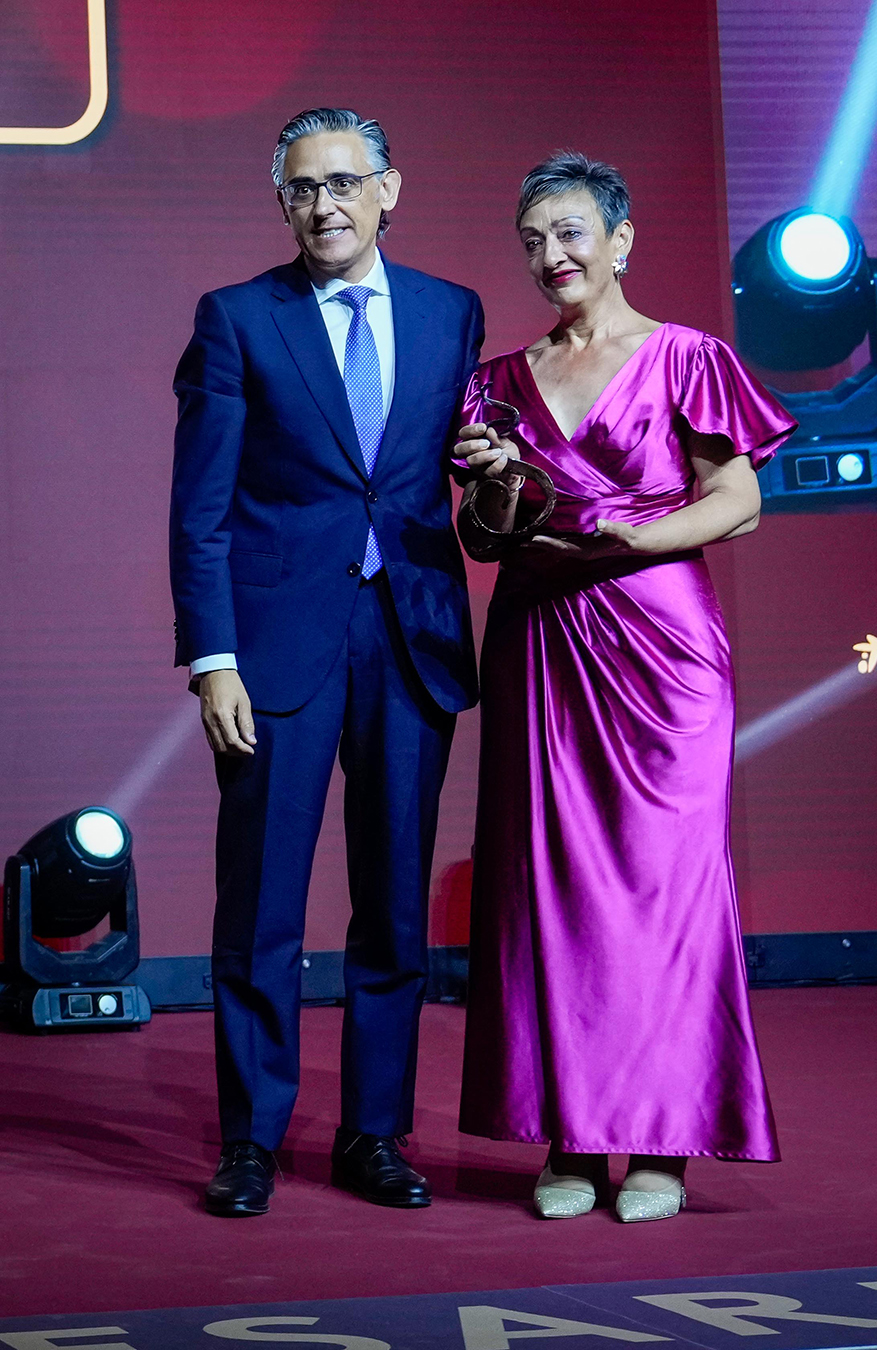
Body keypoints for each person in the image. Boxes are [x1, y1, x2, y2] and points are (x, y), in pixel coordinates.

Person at [454, 153, 795, 1223]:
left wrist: (632, 535)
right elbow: (480, 536)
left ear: (622, 239)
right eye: (533, 241)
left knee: (662, 887)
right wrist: (498, 491)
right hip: (539, 638)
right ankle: (570, 1133)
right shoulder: (496, 381)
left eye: (570, 232)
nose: (551, 255)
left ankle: (663, 1142)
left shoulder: (687, 355)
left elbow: (738, 501)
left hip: (660, 644)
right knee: (551, 889)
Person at [169, 108, 483, 1217]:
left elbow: (459, 479)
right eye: (302, 188)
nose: (324, 206)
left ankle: (373, 1134)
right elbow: (199, 511)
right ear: (282, 202)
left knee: (394, 906)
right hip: (275, 650)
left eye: (345, 182)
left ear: (388, 190)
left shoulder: (452, 311)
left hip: (411, 638)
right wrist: (213, 659)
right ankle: (251, 1141)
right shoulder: (236, 318)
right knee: (260, 906)